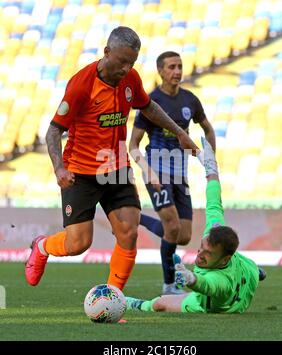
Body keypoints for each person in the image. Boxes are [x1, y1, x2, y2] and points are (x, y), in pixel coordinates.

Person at [25, 27, 199, 291]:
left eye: (131, 63)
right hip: (80, 172)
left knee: (129, 233)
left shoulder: (130, 79)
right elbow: (53, 130)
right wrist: (59, 168)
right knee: (78, 244)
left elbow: (148, 107)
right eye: (121, 62)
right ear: (107, 53)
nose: (125, 68)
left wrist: (179, 132)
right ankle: (43, 246)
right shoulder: (81, 85)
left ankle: (112, 298)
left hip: (116, 167)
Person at [126, 138, 265, 314]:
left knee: (159, 304)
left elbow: (208, 285)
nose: (200, 255)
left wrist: (191, 279)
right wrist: (211, 169)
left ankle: (132, 303)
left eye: (208, 254)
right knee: (251, 267)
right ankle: (257, 272)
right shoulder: (214, 232)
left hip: (221, 304)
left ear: (224, 260)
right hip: (247, 271)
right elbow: (214, 201)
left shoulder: (220, 281)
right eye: (201, 248)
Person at [129, 51, 215, 295]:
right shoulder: (150, 102)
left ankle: (138, 218)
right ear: (160, 71)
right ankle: (169, 284)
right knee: (172, 226)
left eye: (179, 66)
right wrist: (148, 171)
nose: (177, 71)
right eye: (171, 67)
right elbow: (133, 145)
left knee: (183, 236)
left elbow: (207, 128)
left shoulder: (190, 100)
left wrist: (210, 158)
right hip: (156, 171)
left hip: (180, 173)